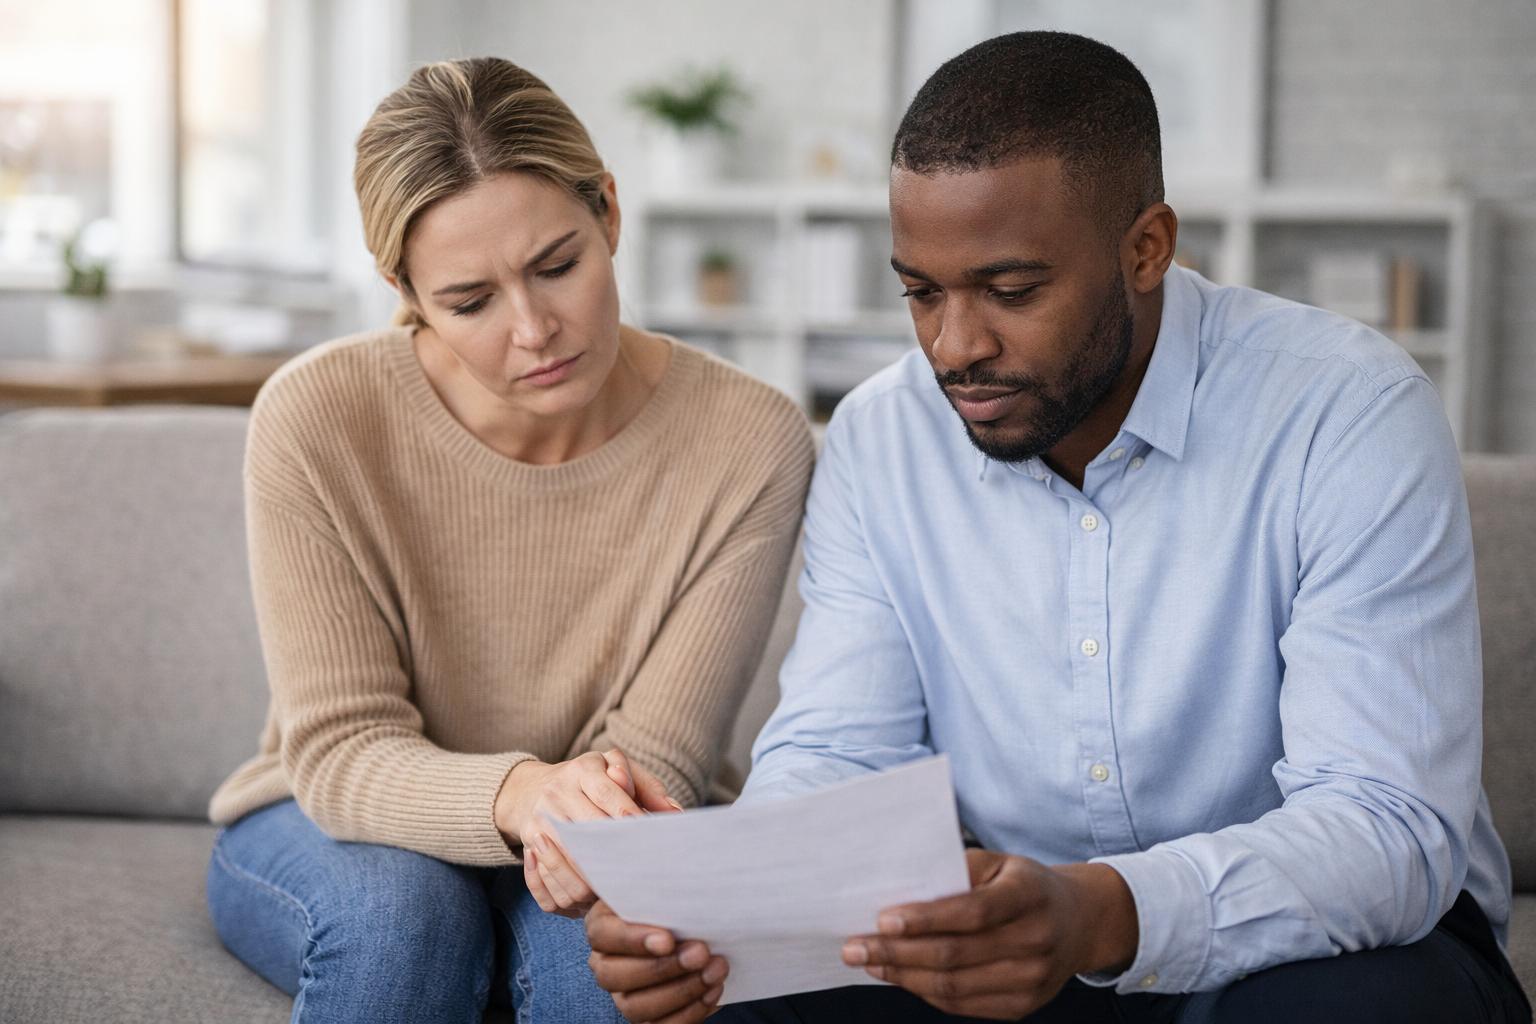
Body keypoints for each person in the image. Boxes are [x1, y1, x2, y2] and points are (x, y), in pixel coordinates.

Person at [584, 31, 1531, 1024]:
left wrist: (1102, 911)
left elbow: (1385, 831)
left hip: (1313, 947)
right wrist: (718, 915)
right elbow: (837, 754)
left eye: (1011, 291)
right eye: (921, 292)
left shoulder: (1348, 411)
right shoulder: (880, 436)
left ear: (1146, 248)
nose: (956, 346)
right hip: (1017, 942)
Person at [203, 57, 814, 1024]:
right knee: (408, 920)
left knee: (600, 964)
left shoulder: (750, 439)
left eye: (558, 265)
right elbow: (342, 751)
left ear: (609, 212)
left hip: (617, 827)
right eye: (470, 302)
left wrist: (558, 815)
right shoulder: (317, 417)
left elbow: (656, 764)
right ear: (402, 287)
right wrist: (520, 794)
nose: (534, 330)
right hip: (338, 822)